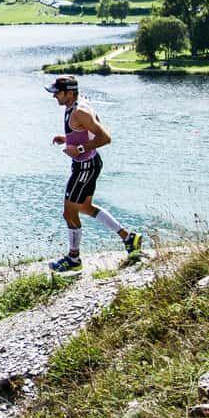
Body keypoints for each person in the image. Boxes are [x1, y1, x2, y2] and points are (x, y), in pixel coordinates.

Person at [47, 74, 143, 272]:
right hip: (89, 164)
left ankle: (74, 259)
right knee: (84, 206)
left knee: (69, 212)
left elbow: (105, 137)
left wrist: (78, 149)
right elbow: (87, 132)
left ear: (69, 93)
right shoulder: (76, 106)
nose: (54, 96)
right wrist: (68, 140)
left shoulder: (80, 111)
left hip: (84, 166)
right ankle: (128, 238)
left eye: (57, 93)